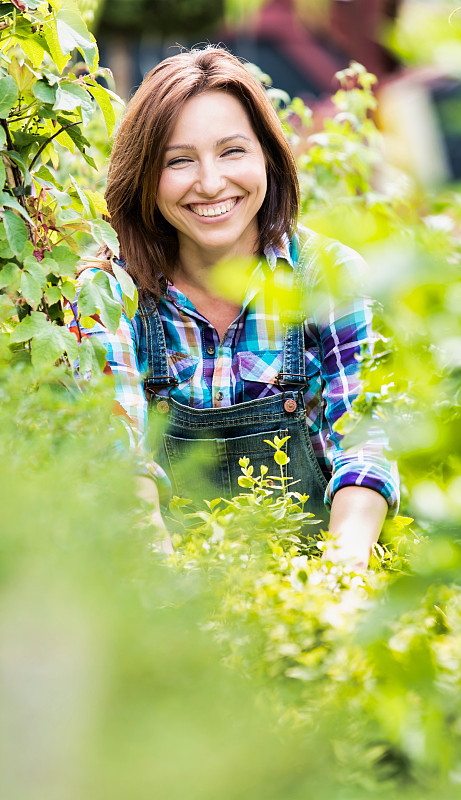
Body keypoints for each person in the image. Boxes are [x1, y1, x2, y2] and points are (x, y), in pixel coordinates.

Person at [75, 46, 400, 569]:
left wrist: (338, 581)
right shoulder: (110, 290)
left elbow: (365, 445)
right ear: (143, 175)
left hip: (313, 571)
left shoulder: (329, 276)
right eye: (178, 160)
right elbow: (118, 464)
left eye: (232, 152)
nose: (209, 183)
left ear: (268, 156)